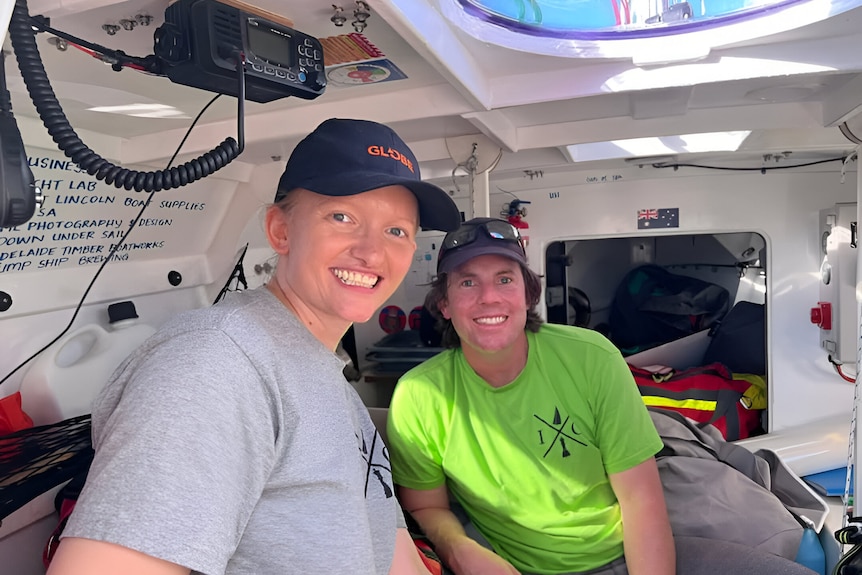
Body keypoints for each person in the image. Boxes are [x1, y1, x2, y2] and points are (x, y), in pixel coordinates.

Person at [47, 118, 461, 575]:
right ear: (280, 231)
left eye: (397, 231)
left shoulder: (322, 369)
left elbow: (382, 533)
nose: (372, 252)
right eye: (342, 217)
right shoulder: (215, 366)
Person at [386, 217, 818, 575]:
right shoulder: (420, 395)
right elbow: (425, 506)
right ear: (443, 303)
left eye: (504, 279)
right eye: (467, 283)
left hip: (628, 553)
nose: (489, 298)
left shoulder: (590, 358)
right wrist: (461, 551)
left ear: (528, 293)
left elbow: (640, 500)